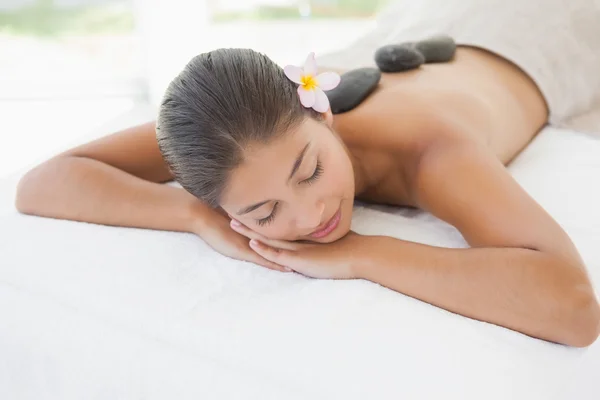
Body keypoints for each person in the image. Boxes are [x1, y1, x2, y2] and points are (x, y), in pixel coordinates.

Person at [14, 0, 600, 347]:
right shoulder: (238, 135)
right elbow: (43, 181)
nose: (311, 215)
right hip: (414, 33)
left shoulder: (430, 148)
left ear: (318, 108)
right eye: (262, 213)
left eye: (310, 170)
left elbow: (574, 308)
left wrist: (365, 254)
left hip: (551, 31)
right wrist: (195, 217)